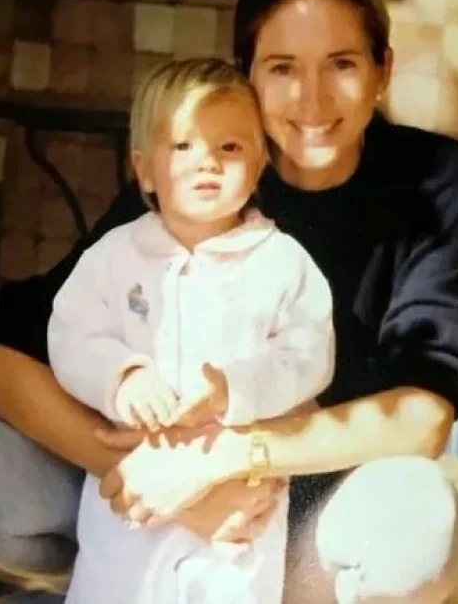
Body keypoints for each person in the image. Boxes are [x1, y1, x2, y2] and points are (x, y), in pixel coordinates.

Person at [0, 0, 458, 604]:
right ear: (246, 75)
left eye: (342, 63)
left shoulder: (428, 178)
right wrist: (162, 487)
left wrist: (225, 461)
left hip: (304, 505)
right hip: (143, 487)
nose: (311, 97)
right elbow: (3, 368)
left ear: (383, 70)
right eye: (282, 68)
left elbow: (422, 418)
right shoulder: (199, 171)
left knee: (420, 524)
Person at [51, 57, 335, 604]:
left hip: (235, 494)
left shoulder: (281, 263)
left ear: (259, 166)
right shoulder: (113, 257)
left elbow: (308, 354)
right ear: (145, 169)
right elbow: (71, 334)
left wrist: (238, 389)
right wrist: (122, 375)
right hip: (135, 499)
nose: (206, 161)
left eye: (230, 148)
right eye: (182, 145)